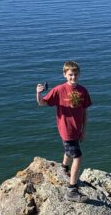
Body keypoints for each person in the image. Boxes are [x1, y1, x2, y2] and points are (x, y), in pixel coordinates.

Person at [36, 61, 92, 202]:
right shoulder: (59, 90)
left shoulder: (83, 91)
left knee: (69, 151)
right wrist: (38, 93)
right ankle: (71, 190)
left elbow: (85, 111)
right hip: (66, 130)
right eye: (70, 75)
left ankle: (64, 168)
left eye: (76, 74)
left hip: (77, 129)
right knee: (78, 157)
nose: (73, 77)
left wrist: (84, 130)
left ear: (79, 74)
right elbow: (42, 103)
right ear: (65, 75)